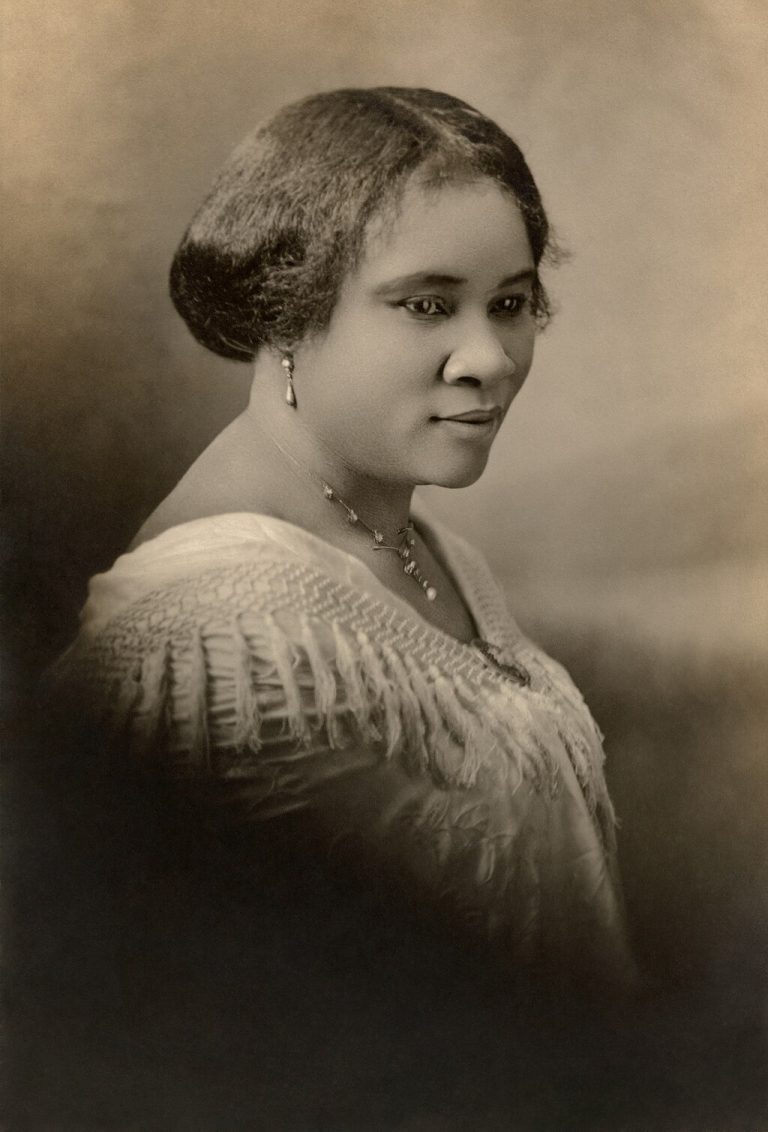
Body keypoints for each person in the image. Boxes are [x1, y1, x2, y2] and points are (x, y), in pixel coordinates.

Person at [50, 87, 636, 1126]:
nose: (490, 359)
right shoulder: (214, 641)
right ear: (287, 309)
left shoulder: (423, 549)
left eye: (510, 302)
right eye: (426, 304)